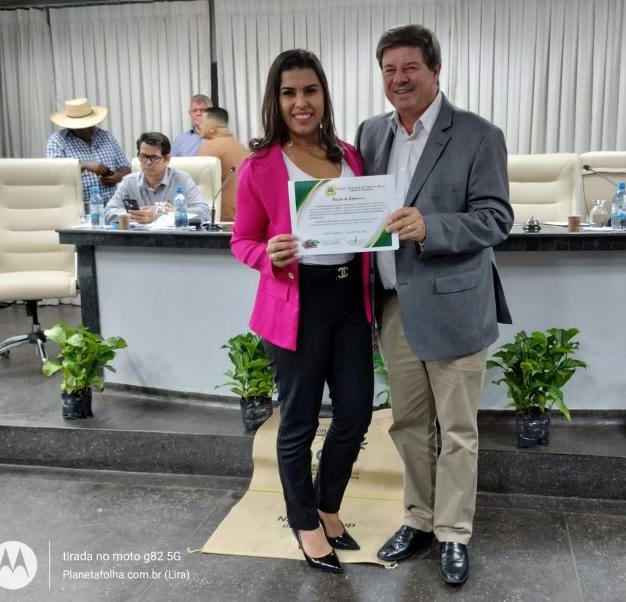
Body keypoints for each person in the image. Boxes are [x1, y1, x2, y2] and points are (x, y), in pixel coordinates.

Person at [355, 24, 513, 586]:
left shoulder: (476, 135)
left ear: (436, 70)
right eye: (389, 70)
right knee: (408, 424)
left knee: (458, 429)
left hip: (453, 305)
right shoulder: (371, 134)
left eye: (410, 69)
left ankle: (453, 532)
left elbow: (497, 219)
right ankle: (419, 518)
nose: (399, 80)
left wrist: (431, 226)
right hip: (393, 306)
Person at [230, 49, 373, 574]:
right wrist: (266, 255)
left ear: (323, 95)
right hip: (295, 305)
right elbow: (242, 240)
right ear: (277, 100)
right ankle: (305, 522)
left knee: (356, 414)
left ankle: (328, 503)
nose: (300, 102)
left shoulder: (351, 156)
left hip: (348, 302)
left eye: (309, 90)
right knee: (300, 421)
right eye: (289, 92)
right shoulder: (260, 166)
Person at [46, 97, 131, 214]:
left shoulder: (106, 136)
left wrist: (118, 176)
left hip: (112, 209)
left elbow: (125, 167)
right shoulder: (57, 141)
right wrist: (84, 165)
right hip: (77, 211)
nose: (87, 128)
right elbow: (54, 174)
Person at [104, 132, 209, 225]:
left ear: (167, 159)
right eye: (144, 157)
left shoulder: (182, 179)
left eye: (154, 158)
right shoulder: (129, 182)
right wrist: (134, 216)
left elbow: (204, 213)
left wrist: (162, 213)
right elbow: (108, 212)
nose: (148, 162)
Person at [197, 107, 249, 221]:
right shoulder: (241, 147)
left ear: (213, 129)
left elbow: (200, 188)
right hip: (243, 214)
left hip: (221, 217)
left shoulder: (211, 147)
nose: (198, 125)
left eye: (202, 122)